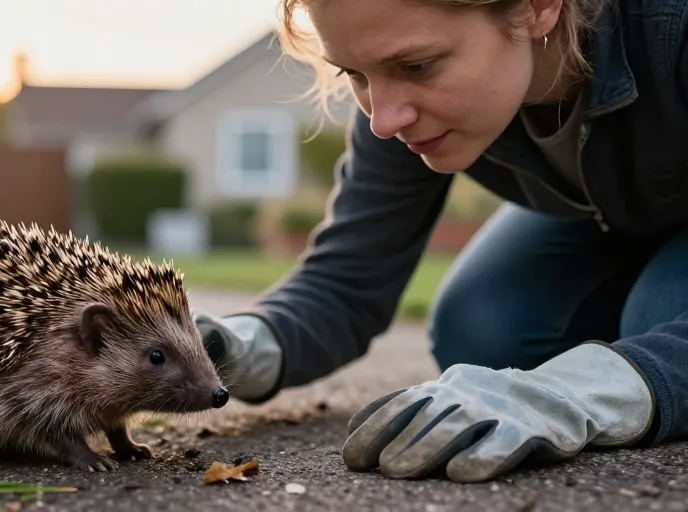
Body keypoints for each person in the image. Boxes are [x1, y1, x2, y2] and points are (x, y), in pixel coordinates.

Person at [193, 0, 688, 483]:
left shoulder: (673, 26)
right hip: (612, 215)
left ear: (538, 7)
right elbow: (347, 277)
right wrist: (231, 348)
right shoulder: (401, 103)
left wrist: (582, 391)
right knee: (482, 329)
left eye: (417, 65)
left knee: (656, 314)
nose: (383, 121)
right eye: (354, 75)